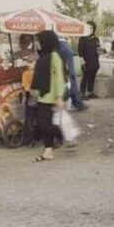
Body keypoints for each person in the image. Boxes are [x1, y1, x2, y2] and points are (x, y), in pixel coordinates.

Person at [30, 30, 66, 162]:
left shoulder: (55, 56)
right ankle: (48, 151)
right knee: (42, 124)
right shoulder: (42, 57)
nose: (37, 44)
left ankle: (62, 135)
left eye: (39, 41)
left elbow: (59, 78)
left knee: (46, 124)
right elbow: (38, 78)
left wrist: (59, 96)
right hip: (42, 96)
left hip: (51, 97)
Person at [57, 38, 87, 111]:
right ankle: (77, 102)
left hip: (58, 44)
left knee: (69, 75)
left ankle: (76, 102)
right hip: (62, 44)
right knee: (70, 75)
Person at [78, 21, 101, 99]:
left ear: (94, 29)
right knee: (85, 77)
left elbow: (98, 49)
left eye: (91, 27)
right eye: (88, 27)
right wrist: (81, 60)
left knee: (92, 77)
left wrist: (102, 51)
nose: (90, 29)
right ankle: (82, 93)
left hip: (94, 61)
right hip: (86, 61)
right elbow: (80, 50)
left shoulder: (96, 39)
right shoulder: (83, 38)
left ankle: (90, 92)